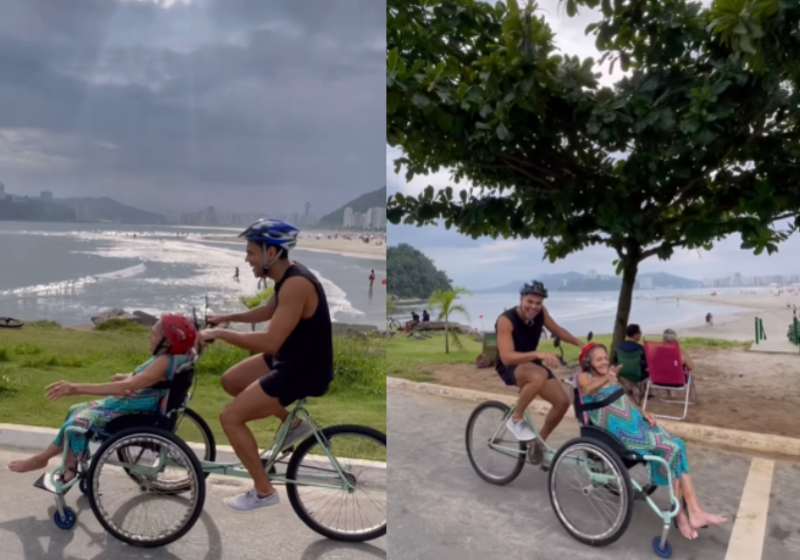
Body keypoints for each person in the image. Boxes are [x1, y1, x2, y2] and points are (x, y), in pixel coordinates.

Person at [199, 219, 333, 512]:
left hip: (303, 369)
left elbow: (271, 341)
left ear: (271, 253)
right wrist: (225, 318)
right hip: (292, 357)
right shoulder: (288, 277)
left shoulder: (297, 283)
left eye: (251, 252)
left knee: (230, 418)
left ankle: (263, 490)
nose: (247, 259)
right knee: (231, 381)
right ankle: (293, 424)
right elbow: (268, 310)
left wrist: (221, 334)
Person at [8, 314, 197, 482]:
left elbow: (126, 388)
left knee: (77, 424)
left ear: (168, 342)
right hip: (135, 403)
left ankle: (43, 460)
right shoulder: (176, 357)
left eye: (154, 334)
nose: (149, 336)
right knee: (75, 410)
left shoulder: (164, 361)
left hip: (136, 411)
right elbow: (148, 379)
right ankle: (71, 464)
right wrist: (127, 376)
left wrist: (76, 387)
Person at [576, 343, 727, 539]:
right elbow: (587, 390)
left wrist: (644, 412)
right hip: (620, 434)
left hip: (637, 424)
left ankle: (695, 510)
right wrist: (607, 376)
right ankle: (680, 513)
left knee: (678, 444)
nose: (604, 361)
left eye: (605, 358)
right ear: (589, 363)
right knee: (671, 449)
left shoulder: (612, 379)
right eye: (598, 359)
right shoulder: (585, 376)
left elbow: (627, 401)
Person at [494, 280, 586, 461]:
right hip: (510, 365)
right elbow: (506, 357)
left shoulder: (541, 313)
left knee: (563, 402)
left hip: (532, 364)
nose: (534, 307)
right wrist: (537, 353)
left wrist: (582, 345)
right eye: (530, 301)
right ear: (521, 299)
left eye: (538, 303)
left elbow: (558, 330)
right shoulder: (506, 320)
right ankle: (516, 419)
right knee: (539, 375)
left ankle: (538, 444)